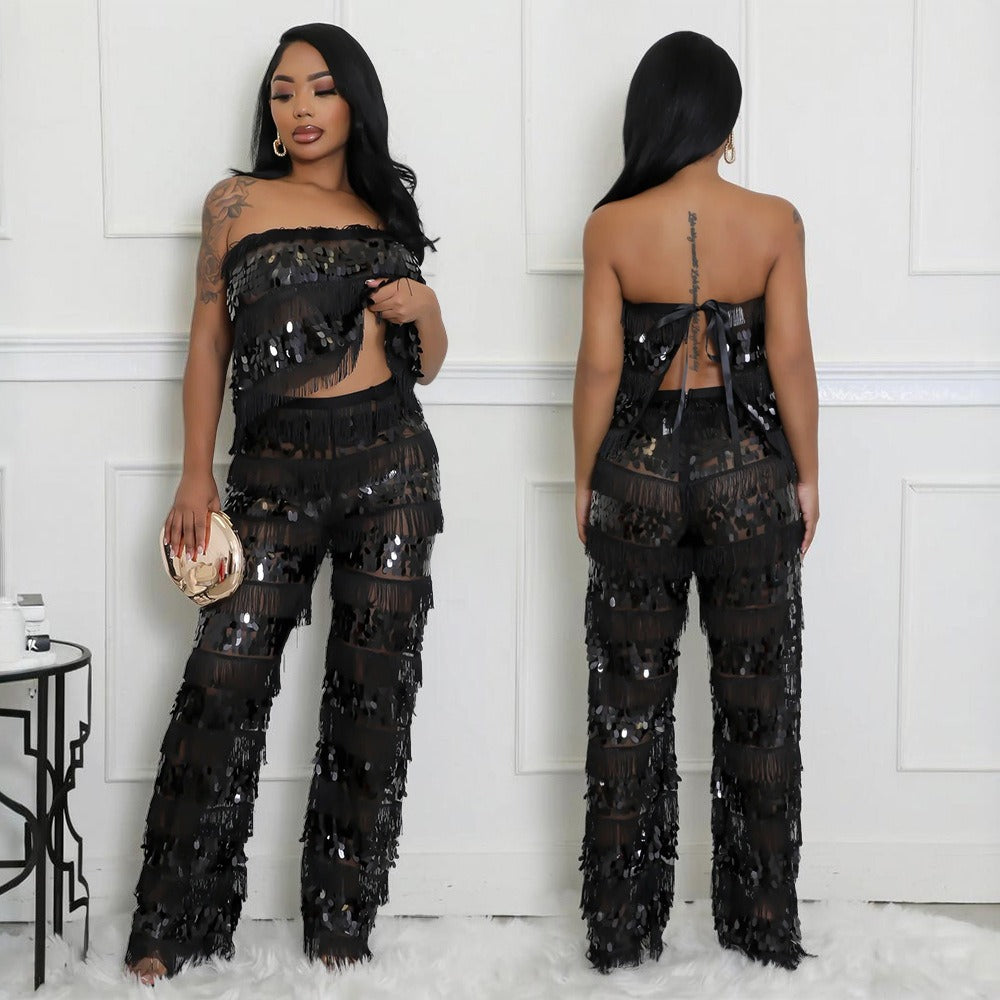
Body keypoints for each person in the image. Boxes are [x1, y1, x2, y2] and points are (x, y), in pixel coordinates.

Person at [125, 22, 447, 983]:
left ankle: (340, 926)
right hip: (270, 473)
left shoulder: (383, 211)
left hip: (391, 470)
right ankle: (170, 925)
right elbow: (207, 344)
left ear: (354, 102)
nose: (301, 108)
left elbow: (425, 364)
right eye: (283, 92)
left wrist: (427, 309)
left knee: (372, 694)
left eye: (320, 88)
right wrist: (195, 472)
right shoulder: (234, 202)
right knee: (223, 682)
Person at [573, 30, 818, 972]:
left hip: (636, 469)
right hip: (747, 470)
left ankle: (621, 932)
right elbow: (789, 358)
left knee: (626, 702)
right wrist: (806, 473)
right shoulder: (775, 221)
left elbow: (601, 369)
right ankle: (761, 924)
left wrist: (585, 479)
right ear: (725, 120)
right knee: (759, 699)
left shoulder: (610, 227)